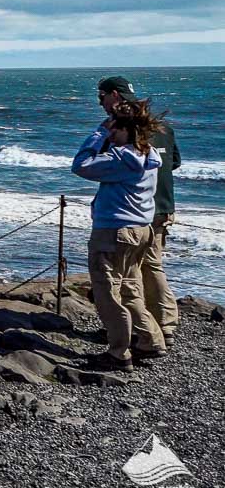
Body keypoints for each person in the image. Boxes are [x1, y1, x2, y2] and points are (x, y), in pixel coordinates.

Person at [71, 94, 167, 371]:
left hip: (115, 231)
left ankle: (118, 352)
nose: (110, 133)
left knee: (107, 292)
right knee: (129, 288)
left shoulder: (123, 159)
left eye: (113, 127)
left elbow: (80, 166)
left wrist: (97, 134)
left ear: (126, 129)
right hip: (141, 229)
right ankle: (151, 340)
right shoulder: (148, 155)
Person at [97, 76, 183, 347]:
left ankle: (147, 329)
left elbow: (96, 162)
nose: (100, 103)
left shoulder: (122, 127)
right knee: (150, 264)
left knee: (131, 271)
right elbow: (175, 162)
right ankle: (161, 323)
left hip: (136, 211)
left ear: (114, 95)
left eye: (101, 96)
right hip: (163, 205)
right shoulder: (163, 127)